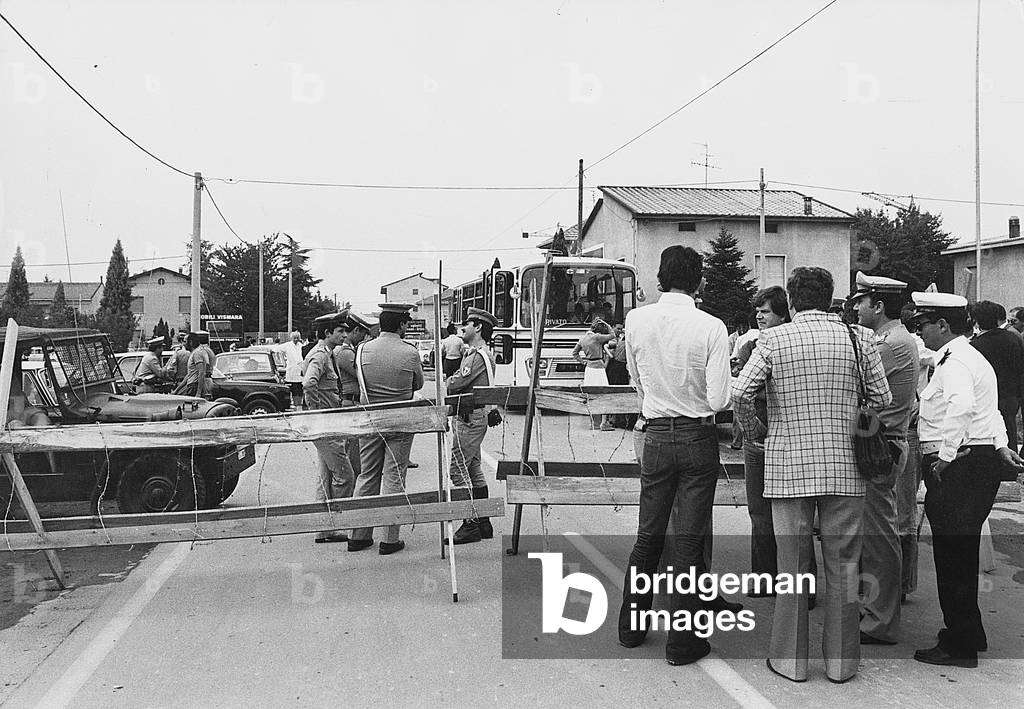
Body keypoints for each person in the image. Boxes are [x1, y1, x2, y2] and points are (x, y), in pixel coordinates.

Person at [732, 266, 891, 684]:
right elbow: (882, 397)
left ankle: (790, 661)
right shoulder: (860, 338)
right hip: (846, 467)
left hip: (788, 465)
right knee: (843, 566)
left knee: (792, 565)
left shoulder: (772, 339)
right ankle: (841, 664)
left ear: (793, 298)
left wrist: (757, 431)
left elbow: (740, 391)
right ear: (831, 296)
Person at [617, 245, 733, 666]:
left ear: (660, 278)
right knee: (689, 539)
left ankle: (631, 629)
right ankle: (682, 643)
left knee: (648, 534)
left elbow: (635, 378)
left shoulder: (636, 319)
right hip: (696, 434)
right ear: (700, 281)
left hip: (656, 434)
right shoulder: (712, 326)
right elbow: (720, 397)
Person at [909, 293, 1024, 668]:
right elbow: (988, 411)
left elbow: (961, 408)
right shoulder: (968, 356)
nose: (919, 331)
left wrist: (943, 457)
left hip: (959, 466)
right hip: (978, 460)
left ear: (943, 325)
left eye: (923, 324)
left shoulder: (957, 362)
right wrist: (1002, 445)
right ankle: (969, 631)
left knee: (952, 557)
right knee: (962, 552)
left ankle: (959, 646)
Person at [847, 272, 919, 645]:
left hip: (880, 446)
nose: (855, 307)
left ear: (878, 305)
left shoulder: (888, 345)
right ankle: (874, 609)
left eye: (861, 301)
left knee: (878, 537)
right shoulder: (891, 339)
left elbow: (859, 391)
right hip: (883, 441)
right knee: (874, 534)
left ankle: (881, 620)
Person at [348, 303, 424, 555]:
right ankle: (389, 539)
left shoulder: (362, 350)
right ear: (401, 325)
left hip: (370, 419)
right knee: (394, 476)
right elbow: (418, 383)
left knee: (367, 475)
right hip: (400, 420)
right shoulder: (410, 351)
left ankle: (358, 536)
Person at [733, 286, 795, 588]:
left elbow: (741, 392)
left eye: (766, 310)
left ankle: (787, 577)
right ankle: (764, 575)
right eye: (757, 310)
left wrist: (752, 428)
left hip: (782, 435)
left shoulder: (786, 343)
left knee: (791, 513)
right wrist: (753, 428)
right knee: (758, 509)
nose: (759, 315)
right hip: (759, 437)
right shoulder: (750, 345)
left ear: (782, 313)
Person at [443, 307, 498, 544]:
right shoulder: (479, 353)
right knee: (473, 468)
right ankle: (484, 521)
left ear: (477, 327)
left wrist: (448, 379)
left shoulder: (477, 356)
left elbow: (455, 384)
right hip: (474, 417)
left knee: (457, 468)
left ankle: (470, 523)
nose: (462, 328)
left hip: (470, 418)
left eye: (466, 324)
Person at [302, 312, 354, 544]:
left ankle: (324, 530)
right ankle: (335, 524)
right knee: (345, 476)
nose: (344, 334)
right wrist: (318, 411)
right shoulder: (320, 356)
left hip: (327, 422)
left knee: (325, 476)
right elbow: (308, 383)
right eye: (340, 331)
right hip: (324, 423)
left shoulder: (328, 354)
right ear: (327, 333)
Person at [969, 301, 1024, 452]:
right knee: (1009, 430)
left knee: (993, 434)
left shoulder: (975, 345)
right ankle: (1012, 465)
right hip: (1012, 395)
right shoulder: (1013, 337)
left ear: (977, 321)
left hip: (990, 397)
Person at [334, 310, 378, 478]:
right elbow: (362, 373)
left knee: (355, 447)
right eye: (363, 333)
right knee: (354, 449)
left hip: (352, 402)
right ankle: (353, 480)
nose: (364, 337)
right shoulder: (345, 353)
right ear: (356, 331)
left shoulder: (349, 351)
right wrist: (364, 348)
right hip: (350, 403)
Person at [571, 319, 616, 430]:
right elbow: (612, 334)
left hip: (589, 368)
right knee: (604, 394)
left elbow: (574, 353)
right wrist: (605, 322)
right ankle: (603, 423)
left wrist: (583, 362)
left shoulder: (582, 339)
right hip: (599, 367)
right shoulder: (597, 337)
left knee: (590, 395)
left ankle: (593, 422)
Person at [174, 331, 215, 399]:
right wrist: (177, 390)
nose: (184, 344)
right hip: (192, 385)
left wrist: (198, 393)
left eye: (185, 341)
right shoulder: (195, 353)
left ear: (191, 342)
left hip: (194, 386)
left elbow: (201, 372)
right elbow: (189, 374)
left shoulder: (197, 353)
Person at [279, 331, 306, 410]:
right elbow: (277, 349)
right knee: (293, 388)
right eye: (294, 338)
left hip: (300, 370)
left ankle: (299, 405)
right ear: (291, 338)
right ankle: (294, 403)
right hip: (291, 370)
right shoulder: (287, 345)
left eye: (297, 338)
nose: (296, 339)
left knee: (300, 388)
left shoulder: (301, 346)